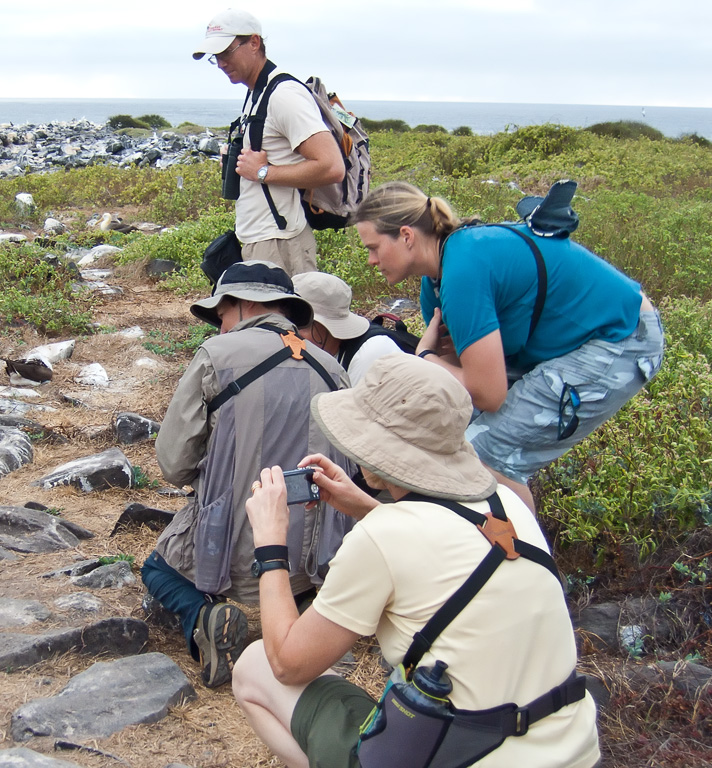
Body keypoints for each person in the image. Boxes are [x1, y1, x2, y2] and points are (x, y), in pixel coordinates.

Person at [234, 354, 601, 768]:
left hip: (467, 758)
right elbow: (441, 553)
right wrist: (369, 507)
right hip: (574, 751)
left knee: (253, 668)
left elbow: (287, 664)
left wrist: (270, 542)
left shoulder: (383, 538)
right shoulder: (509, 502)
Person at [350, 181, 663, 511]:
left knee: (483, 456)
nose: (371, 260)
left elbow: (488, 392)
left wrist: (425, 356)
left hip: (622, 338)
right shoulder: (436, 284)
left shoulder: (463, 271)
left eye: (373, 247)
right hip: (570, 341)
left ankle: (528, 560)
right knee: (445, 435)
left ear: (406, 236)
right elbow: (458, 386)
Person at [141, 260, 353, 688]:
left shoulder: (215, 357)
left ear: (240, 305)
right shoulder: (332, 367)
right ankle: (306, 605)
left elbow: (173, 464)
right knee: (301, 571)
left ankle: (205, 616)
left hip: (229, 553)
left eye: (221, 314)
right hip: (314, 556)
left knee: (156, 570)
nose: (220, 326)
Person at [192, 9, 344, 276]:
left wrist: (262, 172)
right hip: (263, 238)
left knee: (285, 319)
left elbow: (332, 167)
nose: (221, 62)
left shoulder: (284, 95)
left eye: (226, 52)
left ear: (254, 42)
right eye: (215, 57)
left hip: (281, 242)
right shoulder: (256, 93)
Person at [292, 271, 403, 384]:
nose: (291, 332)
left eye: (301, 324)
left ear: (327, 327)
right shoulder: (328, 352)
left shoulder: (369, 355)